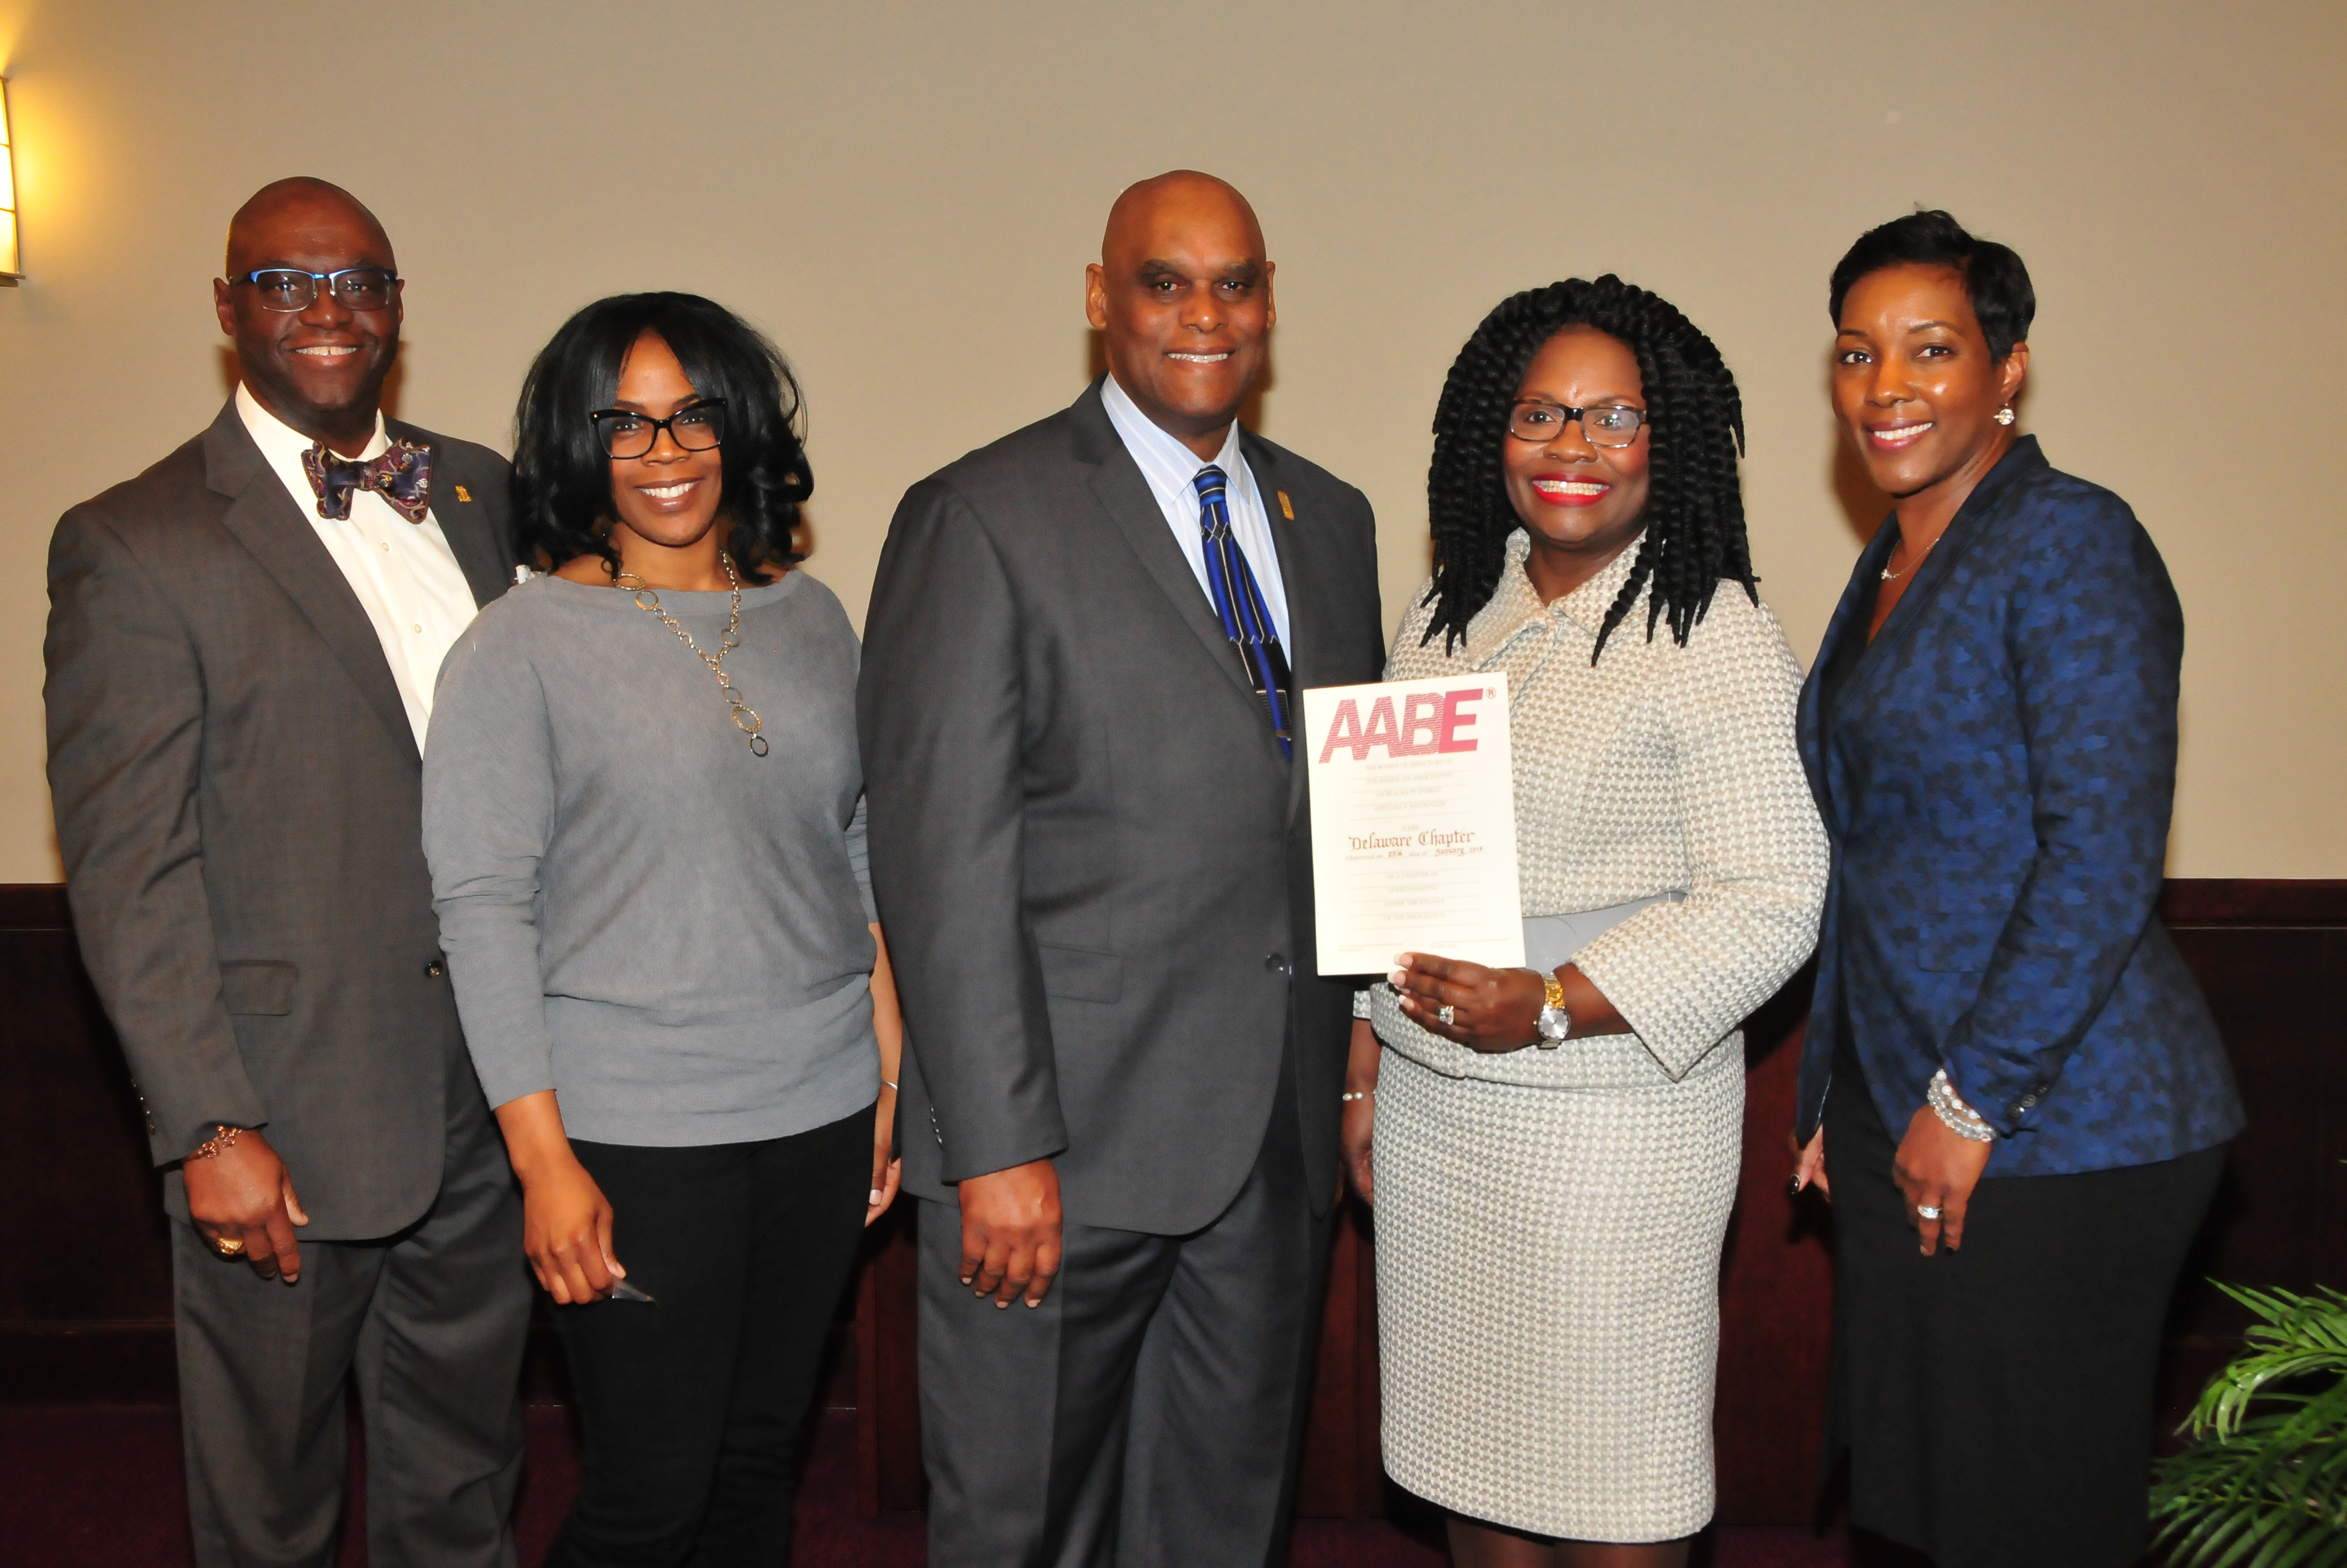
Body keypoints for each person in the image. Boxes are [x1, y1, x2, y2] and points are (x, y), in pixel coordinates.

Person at [857, 170, 1385, 1566]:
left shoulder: (1329, 520)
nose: (1202, 313)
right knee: (1023, 1527)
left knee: (1221, 1527)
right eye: (1164, 281)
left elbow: (1338, 831)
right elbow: (939, 861)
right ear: (1101, 300)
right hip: (1056, 1162)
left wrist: (1351, 1072)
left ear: (1270, 304)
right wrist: (999, 1146)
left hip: (1267, 1154)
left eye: (1235, 282)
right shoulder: (981, 515)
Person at [41, 178, 530, 1567]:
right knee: (271, 1506)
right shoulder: (136, 539)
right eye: (286, 281)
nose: (328, 309)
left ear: (396, 307)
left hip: (490, 1098)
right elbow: (130, 869)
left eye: (358, 280)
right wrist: (207, 1124)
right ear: (224, 307)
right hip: (283, 1119)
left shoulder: (478, 491)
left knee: (467, 1478)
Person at [1788, 210, 2245, 1568]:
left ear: (2008, 369)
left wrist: (1961, 1100)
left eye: (1931, 348)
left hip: (2062, 1128)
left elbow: (2098, 854)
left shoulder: (2069, 539)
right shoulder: (1887, 563)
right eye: (1856, 351)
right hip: (1907, 1109)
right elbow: (1869, 857)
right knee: (1931, 1503)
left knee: (2025, 1515)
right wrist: (1838, 1090)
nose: (1886, 385)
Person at [1348, 277, 1827, 1567]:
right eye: (1540, 413)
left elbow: (1774, 896)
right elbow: (1383, 863)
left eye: (1613, 416)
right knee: (1472, 1472)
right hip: (1439, 1112)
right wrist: (1362, 1071)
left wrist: (1554, 995)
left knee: (1619, 1488)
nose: (1572, 446)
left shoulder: (1710, 627)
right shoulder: (1444, 617)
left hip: (1613, 1121)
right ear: (1483, 437)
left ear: (1663, 442)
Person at [421, 292, 902, 1567]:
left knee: (756, 1463)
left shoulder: (813, 616)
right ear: (578, 449)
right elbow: (481, 907)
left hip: (818, 1106)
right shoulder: (516, 647)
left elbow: (854, 847)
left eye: (693, 414)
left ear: (740, 429)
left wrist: (888, 1073)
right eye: (623, 422)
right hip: (632, 1131)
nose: (666, 448)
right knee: (650, 1489)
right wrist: (542, 1163)